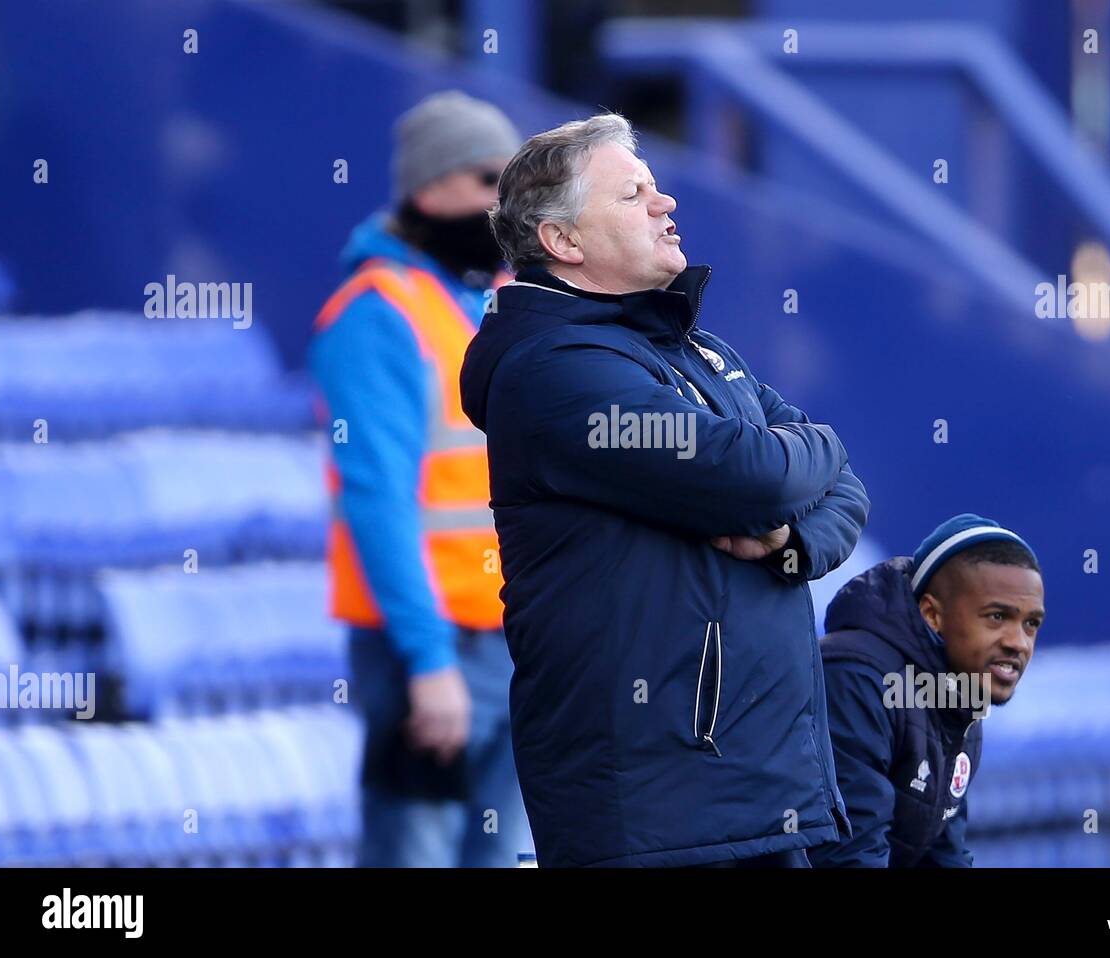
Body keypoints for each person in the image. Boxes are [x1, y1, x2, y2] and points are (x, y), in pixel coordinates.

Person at [458, 112, 871, 867]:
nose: (665, 204)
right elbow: (758, 476)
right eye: (632, 194)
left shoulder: (696, 349)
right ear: (564, 242)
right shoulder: (556, 368)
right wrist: (818, 448)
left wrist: (793, 544)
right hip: (659, 818)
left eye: (655, 187)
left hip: (759, 794)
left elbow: (840, 490)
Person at [309, 90, 531, 867]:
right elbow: (377, 500)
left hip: (513, 640)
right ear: (428, 190)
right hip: (429, 646)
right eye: (488, 181)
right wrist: (427, 662)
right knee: (417, 854)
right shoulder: (379, 313)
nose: (506, 205)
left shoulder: (490, 305)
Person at [809, 514, 1044, 867]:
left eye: (1031, 624)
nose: (1018, 643)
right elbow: (847, 857)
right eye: (997, 617)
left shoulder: (962, 694)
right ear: (932, 614)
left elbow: (941, 854)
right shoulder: (856, 679)